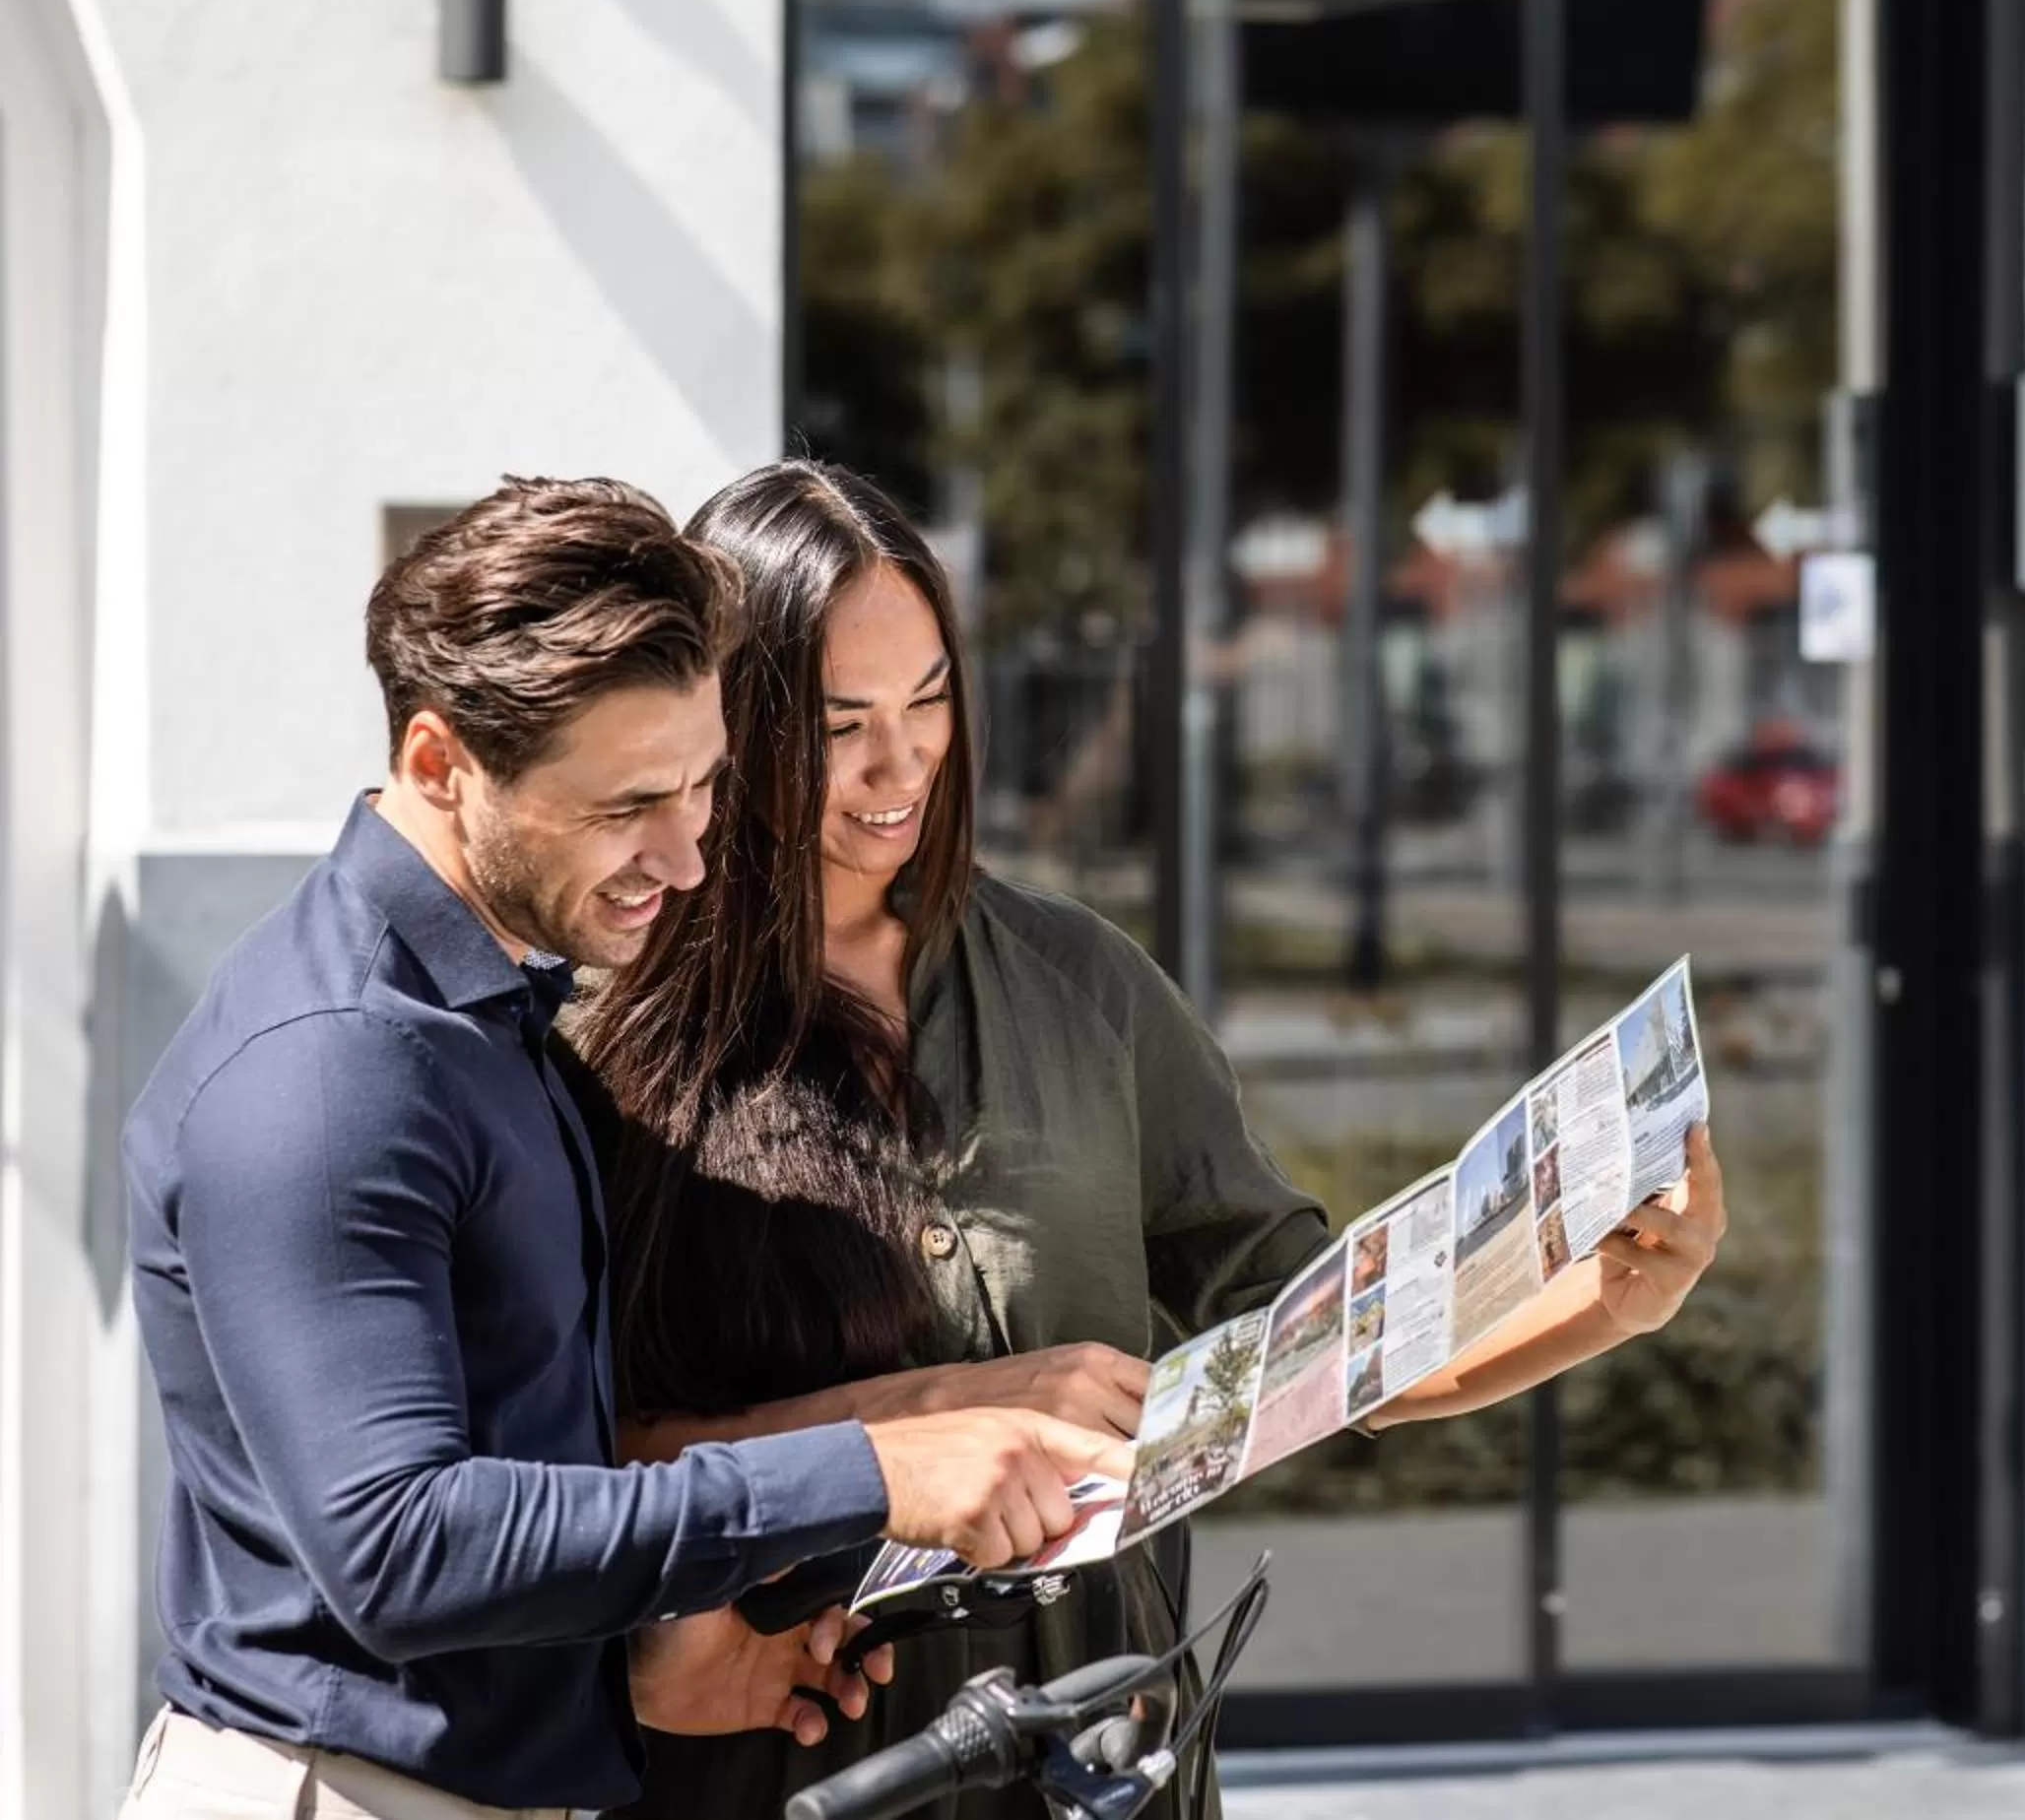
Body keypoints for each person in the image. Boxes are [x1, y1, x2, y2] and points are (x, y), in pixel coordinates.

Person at [571, 459, 1731, 1819]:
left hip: (1099, 1746)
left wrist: (1607, 1300)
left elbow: (1315, 1341)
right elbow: (551, 1478)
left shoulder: (1080, 980)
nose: (903, 764)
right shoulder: (606, 1031)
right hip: (797, 1758)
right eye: (842, 725)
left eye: (931, 700)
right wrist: (937, 1416)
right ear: (730, 725)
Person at [119, 478, 1129, 1820]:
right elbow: (396, 1547)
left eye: (704, 787)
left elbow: (510, 1471)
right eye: (628, 804)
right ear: (439, 764)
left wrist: (631, 1671)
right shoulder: (332, 1069)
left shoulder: (489, 1010)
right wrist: (875, 1465)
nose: (690, 857)